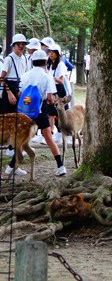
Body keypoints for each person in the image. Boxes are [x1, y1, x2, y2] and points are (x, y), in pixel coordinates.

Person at [17, 49, 66, 176]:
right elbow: (50, 98)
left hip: (26, 111)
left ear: (32, 62)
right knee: (48, 137)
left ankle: (12, 166)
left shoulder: (25, 75)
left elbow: (20, 93)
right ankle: (60, 166)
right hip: (40, 110)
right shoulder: (47, 76)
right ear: (45, 62)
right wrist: (50, 101)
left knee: (23, 139)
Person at [0, 34, 29, 164]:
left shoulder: (25, 59)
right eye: (19, 44)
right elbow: (2, 78)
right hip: (9, 88)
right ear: (14, 45)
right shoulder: (9, 59)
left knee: (18, 116)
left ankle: (13, 147)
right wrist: (9, 92)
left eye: (23, 44)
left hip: (19, 88)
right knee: (6, 117)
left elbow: (25, 76)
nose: (21, 46)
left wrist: (20, 90)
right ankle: (7, 146)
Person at [45, 44, 69, 144]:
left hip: (59, 90)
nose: (51, 54)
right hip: (52, 89)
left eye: (53, 52)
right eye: (50, 52)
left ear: (58, 54)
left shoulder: (61, 65)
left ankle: (61, 133)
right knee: (50, 113)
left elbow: (60, 81)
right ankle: (51, 133)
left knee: (60, 113)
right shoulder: (49, 64)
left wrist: (51, 77)